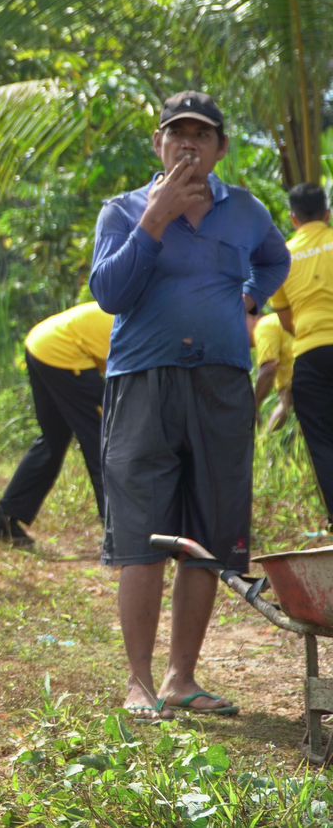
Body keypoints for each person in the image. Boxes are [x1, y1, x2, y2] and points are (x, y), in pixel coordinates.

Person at [92, 90, 288, 721]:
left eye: (201, 135)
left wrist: (252, 299)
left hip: (223, 385)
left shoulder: (247, 212)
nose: (188, 144)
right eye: (176, 134)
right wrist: (156, 218)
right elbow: (110, 295)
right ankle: (140, 682)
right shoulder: (122, 211)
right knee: (142, 535)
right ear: (158, 143)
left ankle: (182, 678)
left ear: (220, 149)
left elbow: (275, 258)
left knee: (207, 534)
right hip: (143, 382)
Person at [0, 301, 114, 548]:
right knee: (102, 443)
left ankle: (2, 520)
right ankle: (119, 533)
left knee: (54, 440)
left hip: (41, 343)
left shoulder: (130, 305)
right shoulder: (145, 323)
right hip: (62, 352)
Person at [271, 183, 333, 519]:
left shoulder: (283, 256)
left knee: (323, 444)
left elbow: (285, 319)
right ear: (327, 214)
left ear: (294, 219)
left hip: (309, 354)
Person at [252, 311, 294, 431]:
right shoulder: (285, 321)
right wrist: (267, 437)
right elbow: (286, 402)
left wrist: (254, 407)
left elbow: (269, 369)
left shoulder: (265, 324)